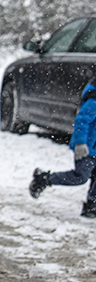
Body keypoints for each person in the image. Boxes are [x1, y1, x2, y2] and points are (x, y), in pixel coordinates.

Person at [29, 78, 96, 218]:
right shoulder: (94, 100)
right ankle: (44, 179)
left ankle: (91, 205)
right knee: (80, 176)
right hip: (87, 148)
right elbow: (82, 120)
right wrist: (80, 143)